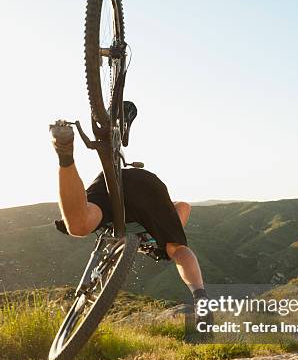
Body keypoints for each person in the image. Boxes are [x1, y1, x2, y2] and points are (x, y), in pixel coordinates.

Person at [49, 104, 208, 313]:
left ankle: (65, 153)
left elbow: (184, 206)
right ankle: (200, 298)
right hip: (146, 187)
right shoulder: (154, 241)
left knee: (79, 224)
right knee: (176, 248)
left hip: (115, 180)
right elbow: (184, 206)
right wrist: (163, 235)